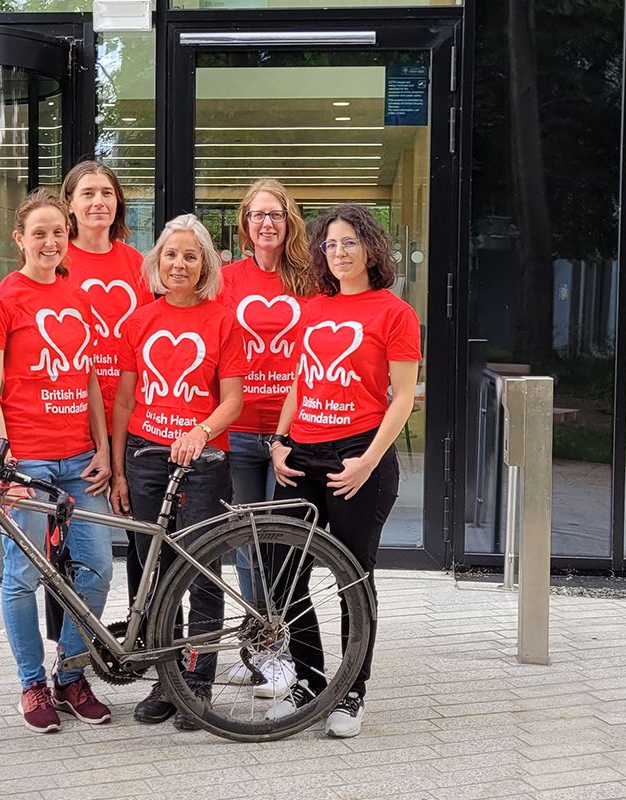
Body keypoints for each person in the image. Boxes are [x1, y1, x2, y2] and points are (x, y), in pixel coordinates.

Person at [265, 204, 421, 739]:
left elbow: (402, 398)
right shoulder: (313, 309)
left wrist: (367, 462)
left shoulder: (394, 312)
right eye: (330, 244)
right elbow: (299, 382)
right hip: (302, 455)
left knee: (353, 577)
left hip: (359, 456)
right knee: (286, 574)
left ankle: (352, 691)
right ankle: (309, 681)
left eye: (349, 242)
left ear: (371, 248)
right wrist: (279, 442)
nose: (339, 252)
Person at [0, 189, 114, 734]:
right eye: (39, 233)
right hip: (26, 460)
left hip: (80, 460)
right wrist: (1, 464)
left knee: (97, 568)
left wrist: (102, 447)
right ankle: (32, 683)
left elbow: (92, 382)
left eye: (59, 232)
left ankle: (71, 674)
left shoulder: (79, 299)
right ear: (20, 239)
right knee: (22, 576)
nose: (51, 242)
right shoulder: (1, 300)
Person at [109, 214, 247, 731]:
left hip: (205, 462)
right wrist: (121, 469)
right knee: (156, 571)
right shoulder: (140, 321)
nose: (179, 264)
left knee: (202, 573)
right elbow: (124, 400)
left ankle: (199, 681)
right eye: (171, 254)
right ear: (157, 260)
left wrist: (199, 432)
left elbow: (233, 401)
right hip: (145, 458)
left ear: (205, 264)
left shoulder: (222, 319)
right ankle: (166, 680)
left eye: (190, 256)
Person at [42, 161, 153, 639]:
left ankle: (143, 633)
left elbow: (153, 339)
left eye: (106, 193)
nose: (98, 202)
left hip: (131, 418)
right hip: (71, 423)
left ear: (118, 203)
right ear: (70, 203)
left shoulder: (137, 265)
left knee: (142, 538)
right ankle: (68, 652)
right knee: (68, 545)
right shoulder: (56, 263)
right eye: (87, 193)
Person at [216, 179, 312, 698]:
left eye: (274, 214)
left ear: (289, 219)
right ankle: (257, 648)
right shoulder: (226, 279)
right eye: (256, 215)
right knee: (248, 548)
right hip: (237, 431)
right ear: (244, 223)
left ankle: (285, 652)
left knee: (284, 549)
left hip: (289, 435)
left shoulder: (310, 280)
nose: (266, 223)